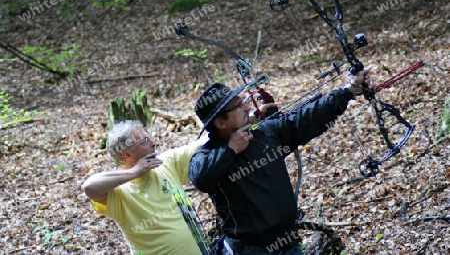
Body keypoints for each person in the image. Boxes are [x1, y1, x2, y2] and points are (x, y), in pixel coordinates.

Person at [188, 69, 371, 255]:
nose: (245, 107)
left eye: (243, 102)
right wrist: (231, 150)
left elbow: (306, 118)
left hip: (288, 244)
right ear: (220, 123)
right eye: (237, 106)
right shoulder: (208, 155)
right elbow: (199, 176)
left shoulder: (264, 134)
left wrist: (348, 91)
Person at [82, 120, 207, 255]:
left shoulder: (166, 163)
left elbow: (200, 144)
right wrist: (134, 172)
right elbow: (89, 187)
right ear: (127, 154)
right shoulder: (119, 193)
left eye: (149, 138)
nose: (153, 143)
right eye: (144, 141)